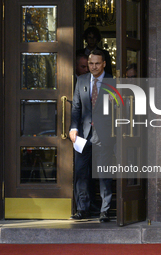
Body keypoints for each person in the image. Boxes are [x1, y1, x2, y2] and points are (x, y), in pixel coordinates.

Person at [70, 49, 114, 222]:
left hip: (104, 133)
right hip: (84, 134)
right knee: (81, 172)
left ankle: (105, 210)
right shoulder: (81, 80)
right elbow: (76, 107)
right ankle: (83, 208)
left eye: (97, 63)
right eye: (90, 63)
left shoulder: (113, 81)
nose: (93, 67)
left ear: (103, 64)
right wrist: (73, 128)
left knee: (103, 173)